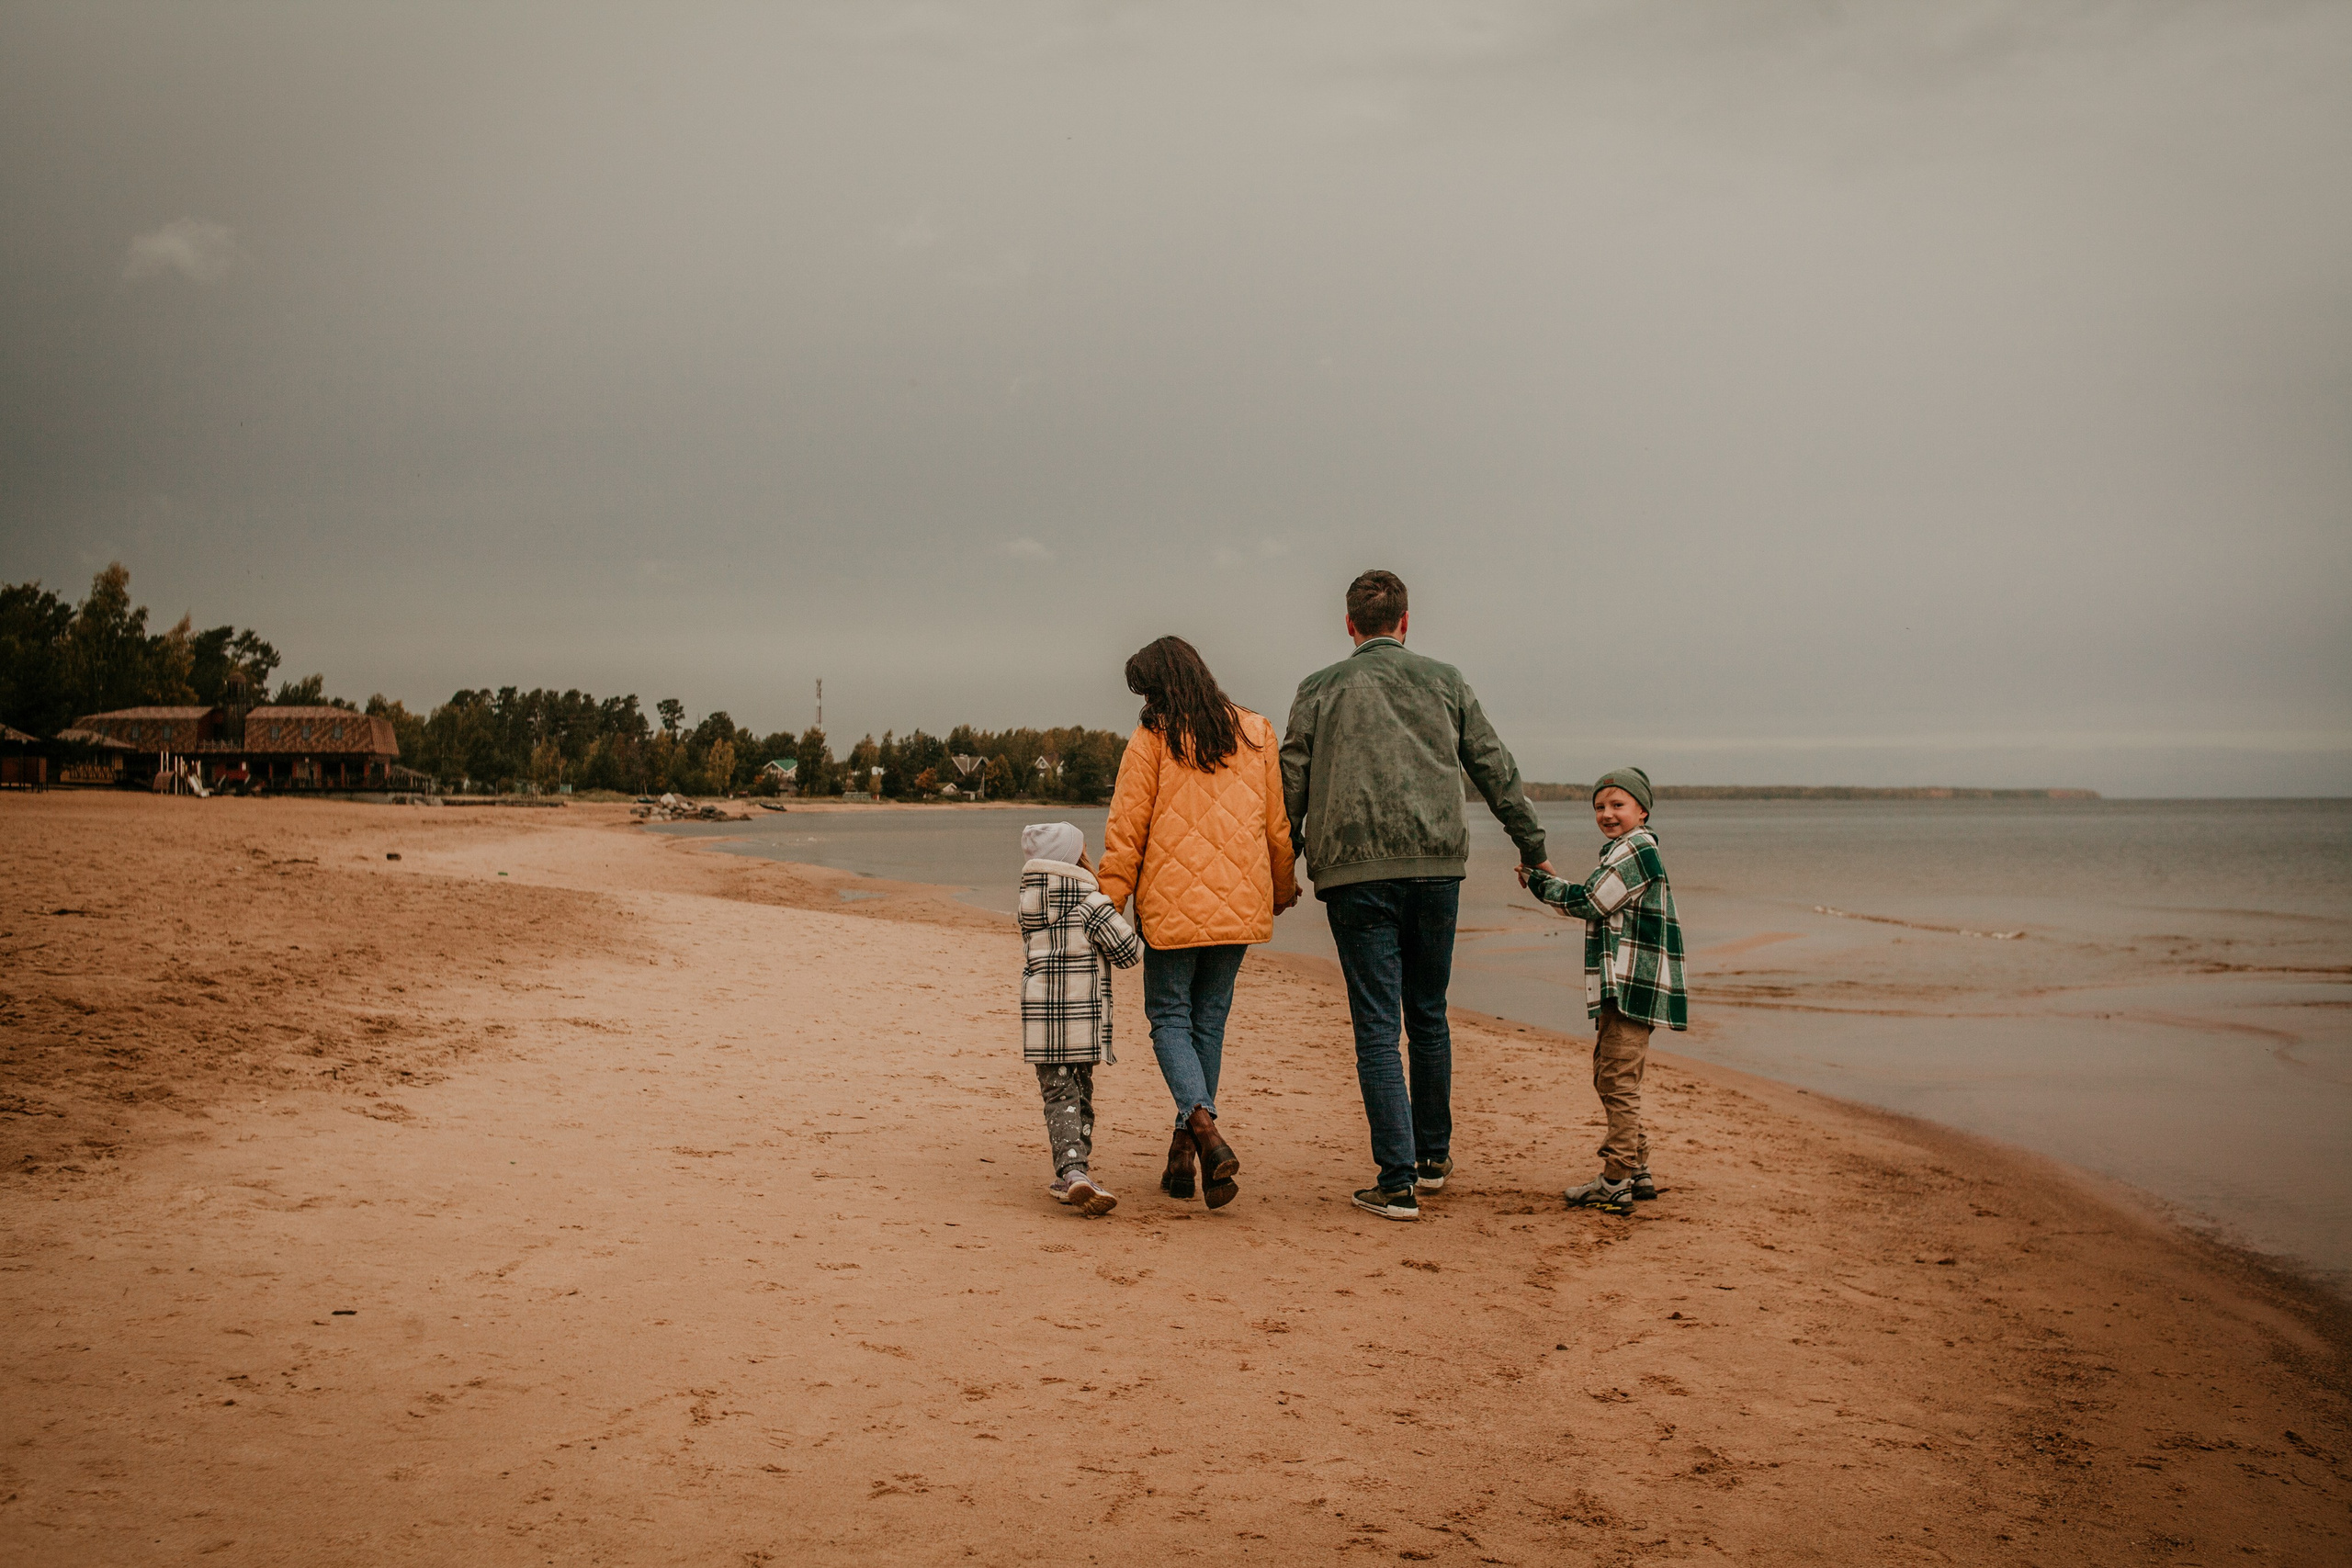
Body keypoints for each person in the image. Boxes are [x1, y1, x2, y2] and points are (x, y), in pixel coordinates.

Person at [1280, 570, 1550, 1221]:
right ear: (1406, 621)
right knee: (1427, 1012)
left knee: (1377, 1025)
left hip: (1352, 873)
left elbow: (1291, 779)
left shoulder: (1319, 688)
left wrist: (1277, 866)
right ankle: (1431, 1158)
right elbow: (1493, 765)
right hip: (1436, 867)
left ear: (1350, 625)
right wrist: (1531, 842)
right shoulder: (1446, 680)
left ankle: (1397, 1179)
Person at [1097, 637, 1298, 1211]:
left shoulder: (1152, 739)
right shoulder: (1256, 731)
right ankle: (1183, 1154)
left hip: (1171, 906)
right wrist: (1280, 890)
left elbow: (1125, 834)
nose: (1146, 704)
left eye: (1150, 692)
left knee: (1168, 1018)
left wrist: (1107, 905)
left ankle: (1205, 1131)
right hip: (1240, 905)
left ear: (1166, 686)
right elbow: (1277, 827)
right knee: (1207, 1023)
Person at [1520, 767, 1688, 1215]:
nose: (1608, 814)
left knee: (1616, 1078)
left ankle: (1615, 1181)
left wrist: (1541, 883)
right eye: (1600, 806)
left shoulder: (1636, 850)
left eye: (1618, 805)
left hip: (1635, 982)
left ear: (1642, 810)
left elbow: (1592, 900)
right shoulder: (1625, 849)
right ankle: (1638, 1167)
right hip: (1628, 982)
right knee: (1611, 1074)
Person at [1016, 820, 1143, 1217]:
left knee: (1058, 1097)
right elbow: (1128, 952)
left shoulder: (1029, 903)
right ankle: (1075, 1172)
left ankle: (1070, 1173)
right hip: (1081, 1023)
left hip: (1041, 1021)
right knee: (1080, 1097)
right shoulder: (1091, 903)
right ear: (1077, 857)